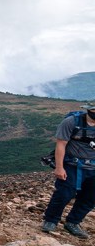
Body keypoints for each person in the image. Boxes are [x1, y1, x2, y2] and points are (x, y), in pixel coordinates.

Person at [41, 102, 95, 238]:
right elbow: (61, 144)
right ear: (89, 110)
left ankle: (73, 222)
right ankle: (50, 220)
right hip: (72, 164)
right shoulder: (71, 122)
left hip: (93, 167)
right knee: (64, 193)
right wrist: (59, 167)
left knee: (90, 197)